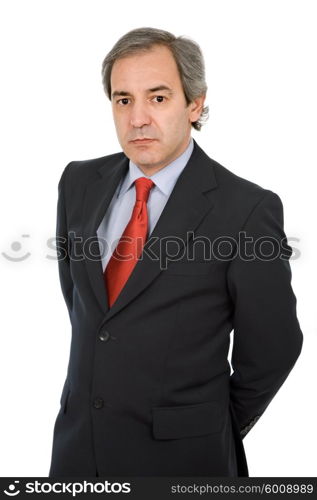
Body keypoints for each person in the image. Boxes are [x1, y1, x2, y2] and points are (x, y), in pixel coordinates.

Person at [48, 27, 303, 477]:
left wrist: (208, 425)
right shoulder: (78, 183)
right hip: (77, 454)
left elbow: (273, 348)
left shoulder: (246, 210)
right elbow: (87, 308)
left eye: (158, 98)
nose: (138, 118)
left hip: (182, 463)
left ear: (195, 103)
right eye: (123, 99)